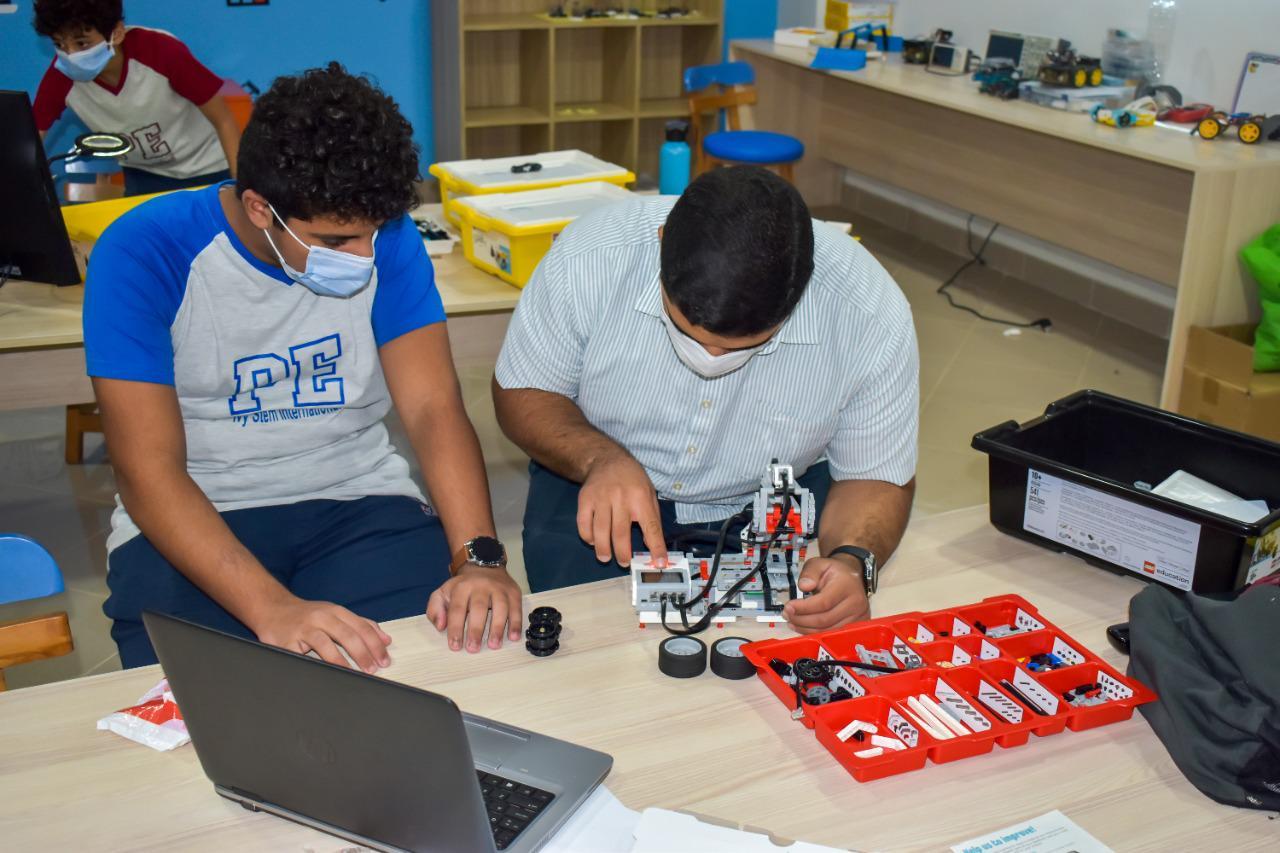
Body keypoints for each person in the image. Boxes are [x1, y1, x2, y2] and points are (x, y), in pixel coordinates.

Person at [85, 63, 520, 670]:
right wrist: (272, 608)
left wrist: (479, 559)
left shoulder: (387, 237)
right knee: (212, 710)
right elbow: (146, 470)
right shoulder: (145, 250)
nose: (364, 256)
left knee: (444, 670)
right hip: (198, 511)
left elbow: (432, 409)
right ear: (261, 208)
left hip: (356, 499)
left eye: (372, 234)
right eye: (336, 243)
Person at [493, 166, 918, 632]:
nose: (710, 358)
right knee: (585, 646)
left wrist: (852, 561)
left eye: (743, 347)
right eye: (686, 331)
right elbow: (523, 391)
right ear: (660, 242)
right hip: (593, 479)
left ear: (801, 291)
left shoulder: (870, 312)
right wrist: (598, 459)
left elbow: (874, 474)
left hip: (766, 505)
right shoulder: (590, 256)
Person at [32, 0, 242, 196]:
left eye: (82, 44)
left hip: (209, 168)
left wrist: (240, 188)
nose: (71, 56)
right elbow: (30, 139)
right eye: (60, 45)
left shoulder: (161, 51)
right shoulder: (61, 76)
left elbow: (223, 119)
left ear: (117, 33)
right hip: (142, 175)